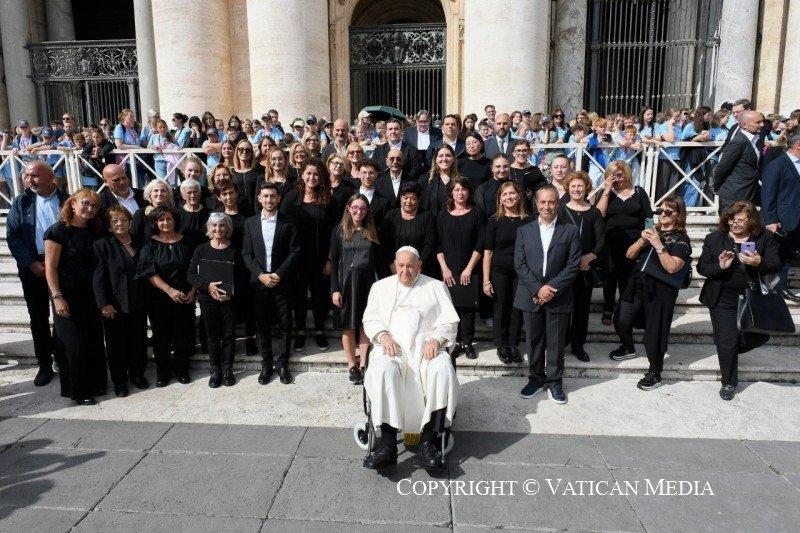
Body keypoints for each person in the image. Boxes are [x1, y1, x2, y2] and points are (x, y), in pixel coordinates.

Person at [361, 246, 459, 470]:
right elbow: (371, 320)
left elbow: (449, 322)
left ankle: (428, 442)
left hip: (426, 350)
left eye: (410, 266)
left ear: (419, 266)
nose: (405, 271)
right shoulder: (380, 287)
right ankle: (388, 447)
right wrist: (383, 336)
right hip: (392, 349)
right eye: (401, 266)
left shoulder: (436, 286)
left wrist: (436, 340)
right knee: (385, 370)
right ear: (395, 265)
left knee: (443, 368)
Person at [697, 201, 781, 401]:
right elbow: (702, 268)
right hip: (722, 298)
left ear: (751, 221)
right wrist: (720, 266)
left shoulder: (764, 237)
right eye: (731, 220)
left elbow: (776, 263)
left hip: (754, 297)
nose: (734, 224)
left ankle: (729, 348)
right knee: (727, 341)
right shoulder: (714, 238)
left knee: (759, 336)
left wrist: (759, 262)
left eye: (740, 220)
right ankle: (728, 382)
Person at [612, 195, 692, 390]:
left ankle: (655, 372)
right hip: (638, 283)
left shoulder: (681, 239)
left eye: (668, 212)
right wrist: (642, 240)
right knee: (621, 319)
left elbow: (672, 267)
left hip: (661, 290)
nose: (662, 214)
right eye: (660, 210)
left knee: (655, 333)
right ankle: (628, 347)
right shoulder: (652, 232)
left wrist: (658, 244)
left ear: (678, 215)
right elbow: (629, 254)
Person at [514, 185, 581, 403]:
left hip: (558, 296)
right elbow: (520, 264)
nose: (546, 206)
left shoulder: (570, 230)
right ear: (536, 203)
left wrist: (550, 289)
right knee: (534, 342)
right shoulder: (524, 231)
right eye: (542, 202)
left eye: (551, 202)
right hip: (531, 295)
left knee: (556, 342)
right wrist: (538, 289)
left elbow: (573, 265)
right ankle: (535, 379)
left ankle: (554, 383)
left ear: (558, 204)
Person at [7, 161, 69, 386]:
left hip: (63, 266)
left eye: (34, 175)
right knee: (38, 317)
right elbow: (13, 235)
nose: (29, 180)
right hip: (33, 268)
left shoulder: (67, 201)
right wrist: (31, 263)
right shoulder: (21, 202)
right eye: (26, 175)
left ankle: (63, 358)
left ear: (51, 177)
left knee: (63, 315)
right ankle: (44, 363)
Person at [45, 188, 106, 405]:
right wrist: (57, 297)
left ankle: (96, 383)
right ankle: (78, 391)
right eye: (85, 203)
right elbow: (50, 267)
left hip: (91, 294)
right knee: (73, 344)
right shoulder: (58, 231)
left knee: (93, 339)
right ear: (73, 203)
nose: (90, 209)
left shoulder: (95, 230)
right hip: (67, 295)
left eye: (94, 206)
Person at [242, 182, 300, 385]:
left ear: (278, 198)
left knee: (285, 324)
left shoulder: (289, 221)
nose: (269, 200)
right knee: (262, 324)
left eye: (272, 196)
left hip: (282, 282)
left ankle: (283, 363)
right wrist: (260, 275)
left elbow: (295, 251)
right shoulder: (250, 223)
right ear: (259, 198)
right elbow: (246, 254)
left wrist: (278, 274)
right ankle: (266, 363)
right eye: (265, 196)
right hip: (259, 283)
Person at [280, 158, 337, 352]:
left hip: (320, 257)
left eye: (316, 174)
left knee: (319, 295)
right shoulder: (291, 197)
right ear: (302, 175)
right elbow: (283, 227)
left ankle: (320, 331)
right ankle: (300, 332)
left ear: (321, 177)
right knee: (299, 296)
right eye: (309, 173)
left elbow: (334, 231)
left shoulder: (328, 199)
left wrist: (329, 259)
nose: (312, 177)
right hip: (295, 257)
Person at [136, 205, 197, 387]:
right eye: (161, 219)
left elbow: (196, 268)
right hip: (159, 298)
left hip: (184, 297)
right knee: (161, 337)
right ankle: (163, 373)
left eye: (168, 218)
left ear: (174, 220)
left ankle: (182, 371)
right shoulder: (149, 243)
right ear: (155, 223)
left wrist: (193, 291)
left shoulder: (187, 242)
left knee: (182, 336)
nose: (165, 222)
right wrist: (169, 290)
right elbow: (149, 272)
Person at [330, 194, 387, 385]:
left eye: (362, 208)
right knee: (348, 326)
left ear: (367, 211)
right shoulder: (338, 232)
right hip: (345, 285)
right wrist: (335, 290)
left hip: (367, 285)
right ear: (348, 208)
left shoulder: (372, 232)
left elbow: (380, 263)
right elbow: (334, 262)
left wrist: (385, 288)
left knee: (365, 325)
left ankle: (363, 363)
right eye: (355, 207)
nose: (358, 211)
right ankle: (351, 365)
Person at [93, 205, 149, 397]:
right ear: (109, 225)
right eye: (115, 221)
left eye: (124, 220)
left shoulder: (139, 242)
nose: (120, 224)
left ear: (130, 222)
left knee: (138, 341)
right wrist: (104, 303)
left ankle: (137, 375)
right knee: (117, 346)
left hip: (139, 302)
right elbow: (98, 277)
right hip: (115, 305)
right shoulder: (102, 245)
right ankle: (120, 381)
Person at [595, 161, 653, 329]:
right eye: (612, 175)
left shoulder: (639, 192)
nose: (617, 179)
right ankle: (608, 308)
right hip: (610, 244)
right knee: (610, 277)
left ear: (627, 174)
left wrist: (646, 238)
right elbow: (599, 214)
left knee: (628, 278)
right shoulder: (605, 193)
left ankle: (625, 309)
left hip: (634, 244)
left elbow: (649, 217)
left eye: (620, 175)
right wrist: (607, 190)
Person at [188, 213, 239, 388]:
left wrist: (232, 294)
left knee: (229, 335)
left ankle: (228, 369)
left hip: (229, 300)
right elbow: (191, 275)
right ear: (209, 228)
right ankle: (215, 370)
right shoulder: (201, 249)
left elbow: (242, 278)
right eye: (214, 225)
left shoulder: (235, 251)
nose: (218, 229)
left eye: (222, 225)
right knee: (212, 336)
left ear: (228, 228)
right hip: (207, 299)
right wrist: (207, 286)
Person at [559, 172, 606, 362]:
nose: (576, 189)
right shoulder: (560, 211)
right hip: (563, 268)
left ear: (586, 188)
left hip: (585, 268)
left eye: (580, 186)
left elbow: (601, 240)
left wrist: (590, 257)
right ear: (567, 188)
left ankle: (578, 345)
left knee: (581, 309)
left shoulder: (594, 212)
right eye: (573, 186)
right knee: (562, 308)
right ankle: (560, 343)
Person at [483, 181, 531, 364]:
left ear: (519, 196)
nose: (509, 197)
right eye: (505, 194)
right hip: (499, 270)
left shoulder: (529, 220)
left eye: (512, 193)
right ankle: (501, 345)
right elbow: (488, 252)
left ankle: (513, 344)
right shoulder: (494, 220)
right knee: (501, 306)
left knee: (517, 308)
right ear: (500, 199)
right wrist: (486, 280)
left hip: (522, 271)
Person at [437, 177, 483, 359]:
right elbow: (438, 243)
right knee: (451, 307)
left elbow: (481, 242)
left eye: (463, 189)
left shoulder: (476, 213)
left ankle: (467, 342)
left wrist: (469, 268)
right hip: (448, 268)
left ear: (469, 192)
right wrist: (444, 268)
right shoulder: (443, 214)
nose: (460, 193)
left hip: (469, 267)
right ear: (451, 193)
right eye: (456, 190)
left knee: (468, 307)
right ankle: (454, 342)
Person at [214, 179, 257, 354]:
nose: (228, 196)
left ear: (237, 193)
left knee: (249, 302)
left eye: (231, 192)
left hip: (246, 263)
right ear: (219, 197)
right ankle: (228, 340)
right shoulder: (216, 215)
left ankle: (250, 338)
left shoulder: (247, 212)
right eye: (224, 194)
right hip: (225, 263)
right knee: (228, 304)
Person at [759, 127, 800, 302]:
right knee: (778, 254)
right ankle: (774, 287)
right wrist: (771, 220)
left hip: (797, 219)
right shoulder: (777, 165)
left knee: (788, 254)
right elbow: (768, 194)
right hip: (783, 220)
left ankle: (781, 286)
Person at [713, 110, 765, 215]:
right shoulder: (738, 142)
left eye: (762, 121)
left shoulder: (757, 140)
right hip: (733, 195)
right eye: (758, 122)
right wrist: (717, 186)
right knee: (730, 224)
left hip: (749, 194)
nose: (762, 125)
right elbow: (722, 168)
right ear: (744, 125)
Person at [130, 178, 175, 246]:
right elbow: (134, 237)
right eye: (156, 190)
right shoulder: (140, 214)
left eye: (163, 191)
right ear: (149, 194)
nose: (159, 193)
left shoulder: (173, 213)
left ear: (168, 194)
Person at [421, 144, 460, 218]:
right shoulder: (425, 180)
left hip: (454, 221)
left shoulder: (460, 181)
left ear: (453, 159)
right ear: (435, 159)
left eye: (448, 155)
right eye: (441, 156)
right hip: (431, 222)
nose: (444, 159)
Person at [509, 139, 548, 213]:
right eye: (518, 151)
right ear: (513, 153)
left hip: (530, 210)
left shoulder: (534, 170)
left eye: (524, 150)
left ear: (529, 152)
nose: (521, 153)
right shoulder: (508, 171)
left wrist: (533, 192)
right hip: (512, 209)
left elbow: (543, 187)